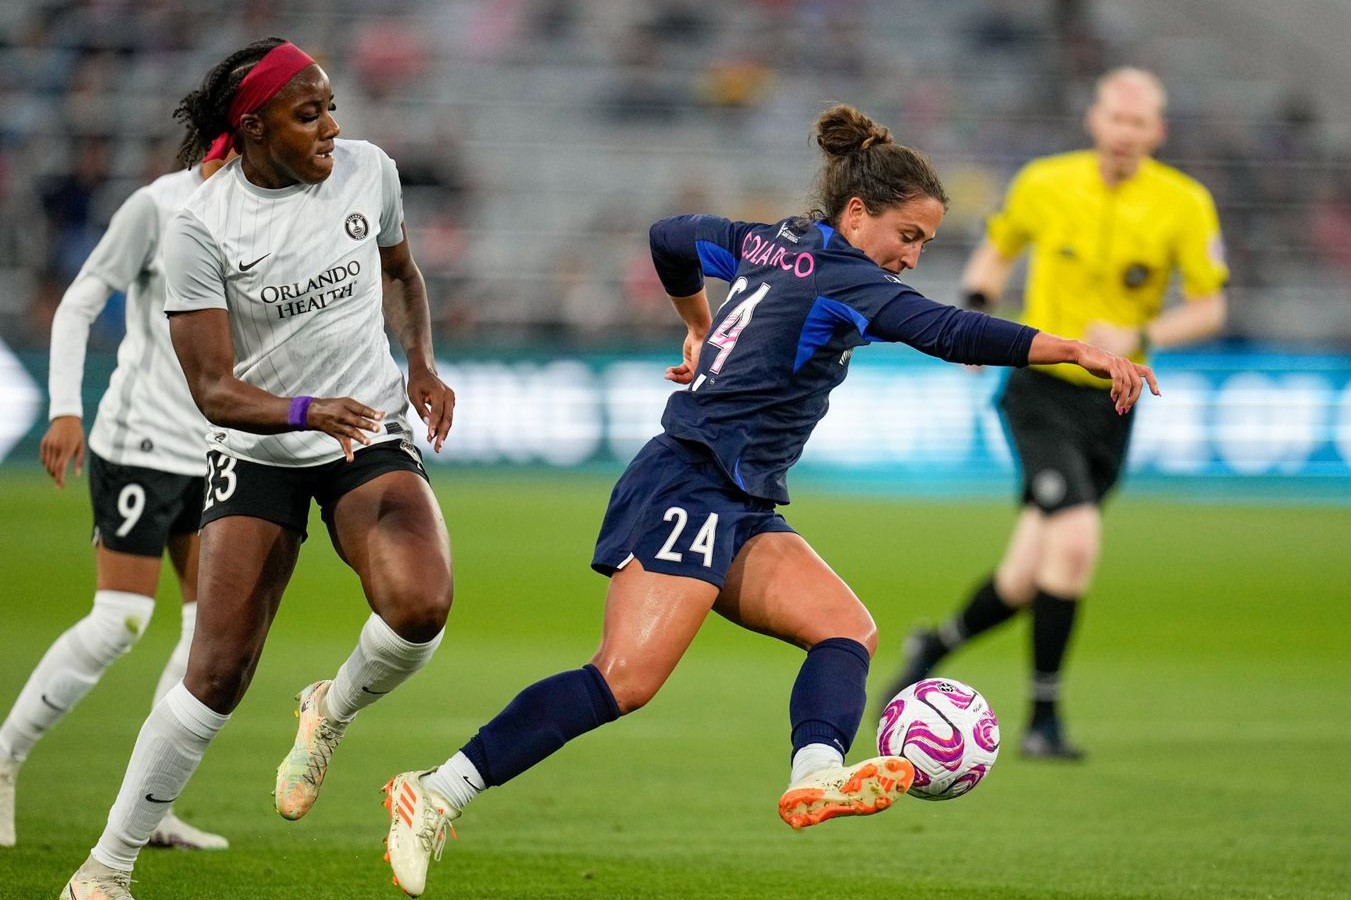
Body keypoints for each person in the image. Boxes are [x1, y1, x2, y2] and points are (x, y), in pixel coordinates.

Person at [377, 104, 1157, 898]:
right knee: (623, 679)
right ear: (858, 214)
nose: (915, 257)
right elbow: (950, 331)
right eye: (910, 237)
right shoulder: (852, 280)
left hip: (739, 496)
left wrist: (698, 327)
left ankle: (816, 771)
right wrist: (1075, 350)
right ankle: (436, 792)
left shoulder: (773, 240)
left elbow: (671, 238)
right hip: (690, 479)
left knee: (846, 628)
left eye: (925, 243)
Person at [62, 38, 457, 900]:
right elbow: (212, 389)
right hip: (260, 449)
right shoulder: (200, 228)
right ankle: (104, 870)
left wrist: (420, 364)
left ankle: (331, 710)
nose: (332, 128)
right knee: (216, 674)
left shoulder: (367, 171)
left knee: (422, 605)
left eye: (332, 108)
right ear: (252, 128)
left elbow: (402, 272)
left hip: (367, 434)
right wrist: (309, 411)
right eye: (308, 114)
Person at [880, 67, 1229, 760]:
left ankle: (935, 643)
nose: (1126, 134)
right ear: (1095, 120)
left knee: (1023, 577)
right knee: (1074, 541)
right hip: (1038, 388)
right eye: (1116, 119)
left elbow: (1213, 306)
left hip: (1113, 402)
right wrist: (976, 312)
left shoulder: (1186, 204)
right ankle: (1043, 721)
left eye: (1140, 124)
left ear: (1156, 132)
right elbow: (998, 249)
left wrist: (1144, 336)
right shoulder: (1046, 182)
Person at [1, 160, 232, 854]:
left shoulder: (268, 208)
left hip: (216, 447)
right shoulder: (158, 206)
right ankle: (4, 760)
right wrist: (65, 408)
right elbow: (80, 300)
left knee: (209, 636)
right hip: (141, 442)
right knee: (120, 621)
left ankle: (149, 808)